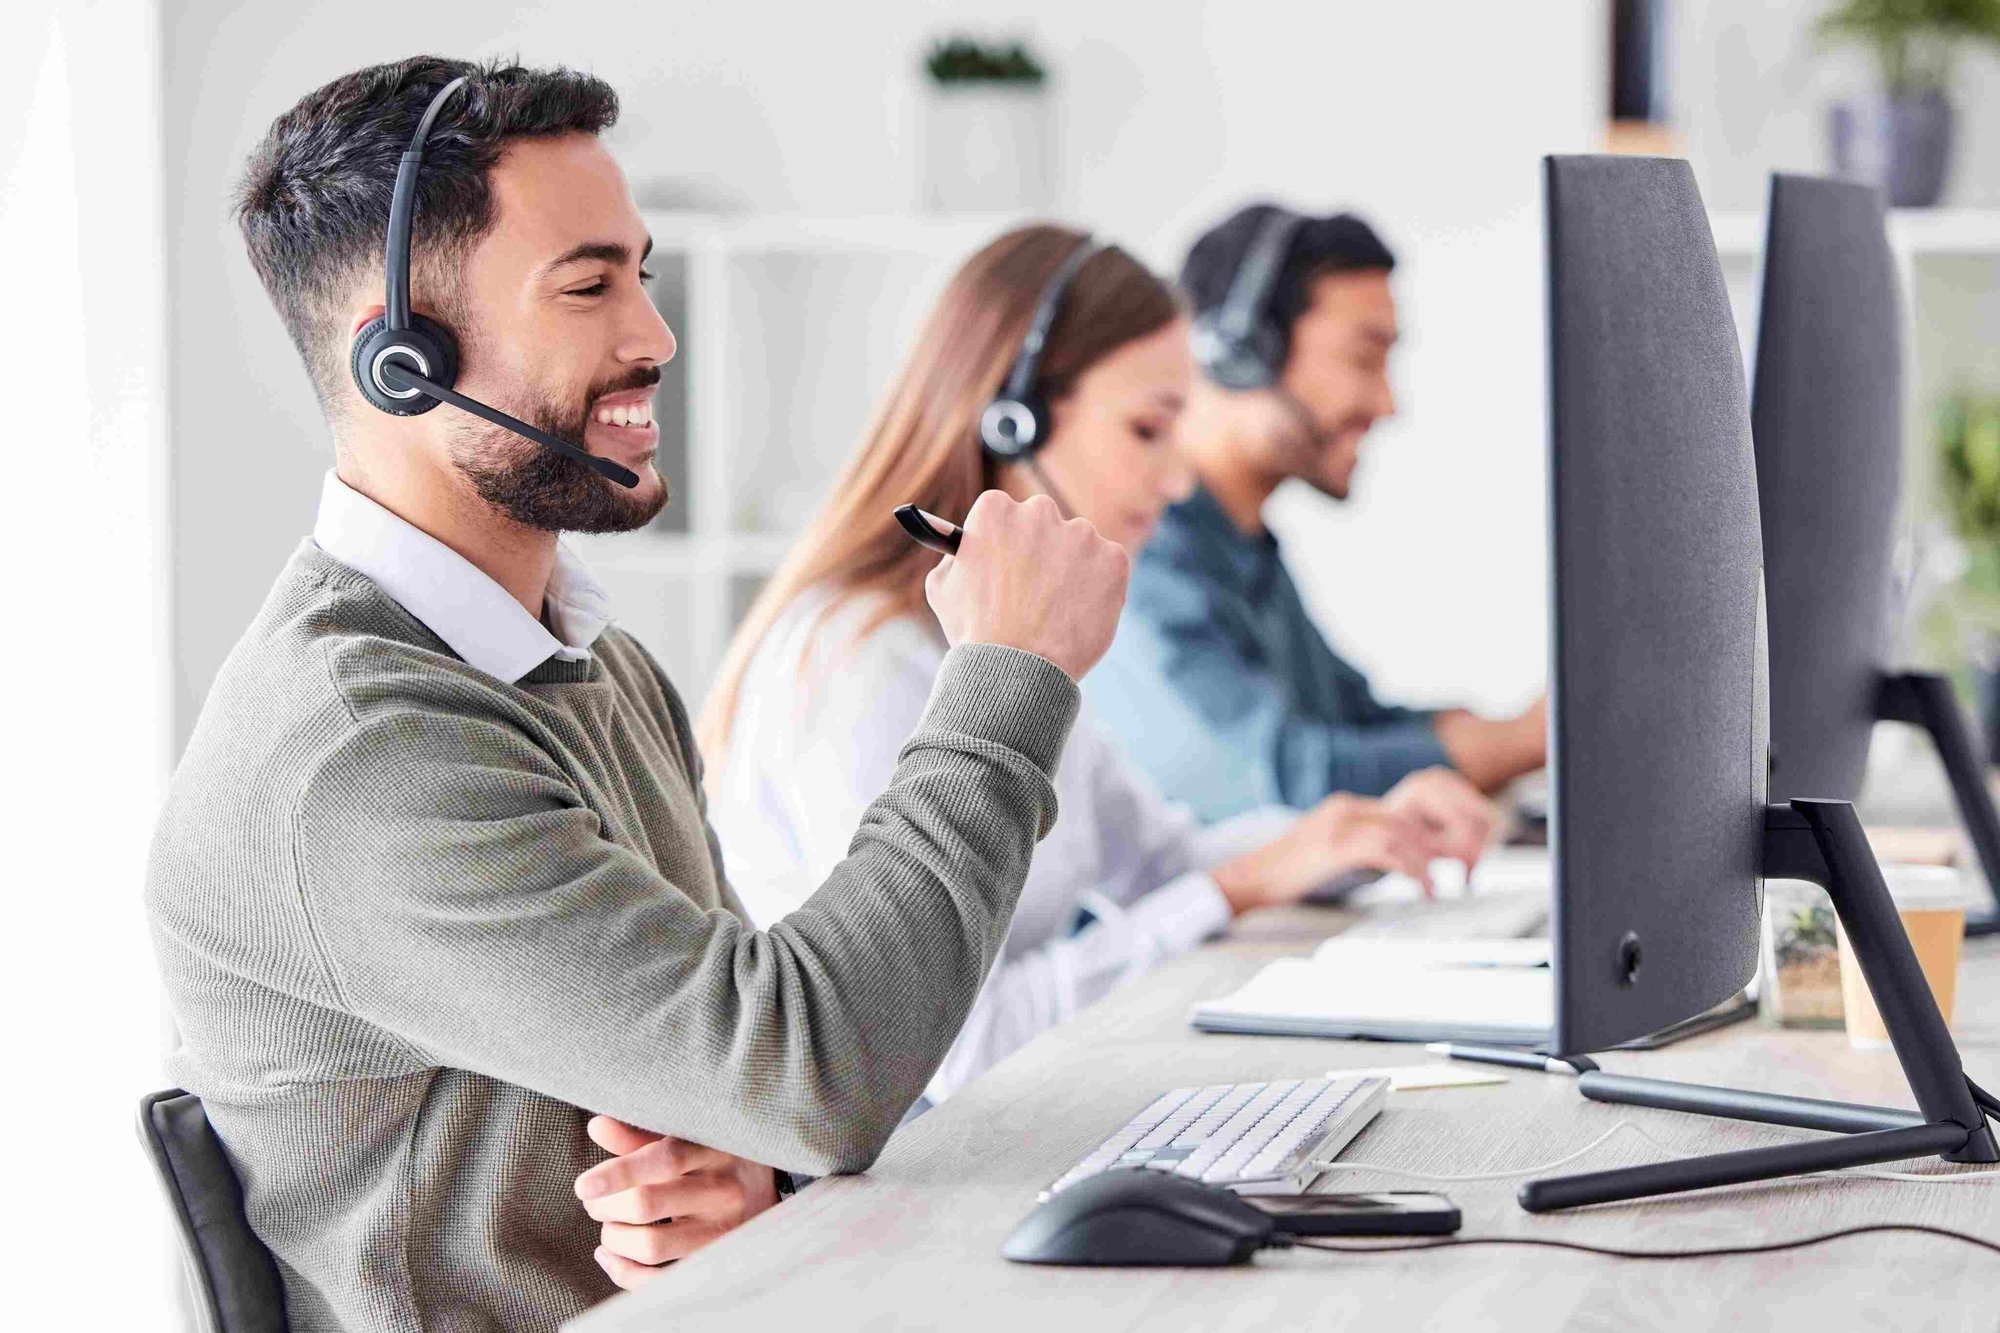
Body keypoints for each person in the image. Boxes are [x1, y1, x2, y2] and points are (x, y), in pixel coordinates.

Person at [144, 57, 1131, 1330]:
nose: (655, 338)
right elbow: (810, 1062)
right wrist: (1009, 675)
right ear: (397, 358)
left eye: (644, 274)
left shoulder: (587, 662)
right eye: (588, 285)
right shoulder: (362, 752)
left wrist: (749, 1173)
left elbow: (749, 1078)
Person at [694, 225, 1497, 1113]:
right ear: (1013, 419)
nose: (1179, 480)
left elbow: (1157, 860)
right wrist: (1235, 886)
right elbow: (959, 1049)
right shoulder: (863, 662)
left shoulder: (1023, 635)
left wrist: (1351, 836)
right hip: (901, 1173)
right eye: (1148, 428)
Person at [1089, 202, 1547, 822]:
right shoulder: (1142, 553)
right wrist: (1531, 739)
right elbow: (1282, 780)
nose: (1387, 403)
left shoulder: (1244, 548)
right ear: (1244, 349)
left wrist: (1523, 726)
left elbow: (1355, 719)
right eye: (1364, 358)